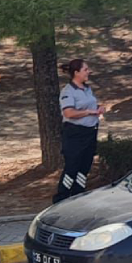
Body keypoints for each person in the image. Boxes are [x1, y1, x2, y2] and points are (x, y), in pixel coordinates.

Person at [55, 59, 104, 202]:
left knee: (84, 166)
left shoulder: (87, 88)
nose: (88, 72)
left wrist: (99, 108)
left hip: (90, 132)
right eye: (85, 69)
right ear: (76, 73)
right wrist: (88, 112)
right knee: (72, 167)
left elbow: (91, 104)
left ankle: (78, 195)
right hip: (75, 134)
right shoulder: (68, 91)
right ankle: (61, 198)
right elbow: (68, 113)